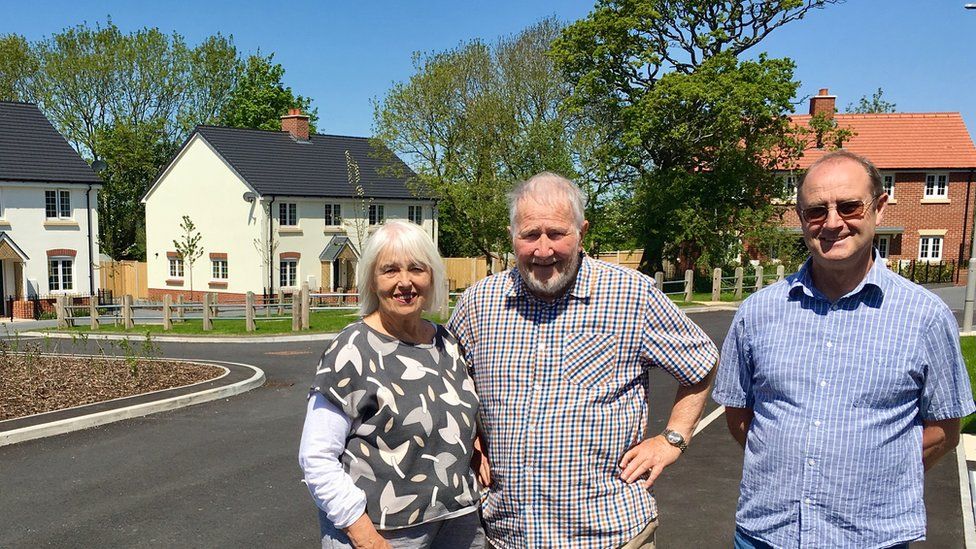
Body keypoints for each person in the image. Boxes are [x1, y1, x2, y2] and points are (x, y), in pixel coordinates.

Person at [713, 150, 976, 549]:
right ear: (801, 219)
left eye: (849, 206)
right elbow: (739, 415)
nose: (833, 222)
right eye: (817, 211)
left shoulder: (926, 317)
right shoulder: (757, 312)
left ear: (879, 208)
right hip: (766, 534)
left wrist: (876, 478)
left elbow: (945, 430)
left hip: (872, 538)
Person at [447, 172, 720, 548]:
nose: (543, 249)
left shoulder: (630, 295)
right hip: (508, 535)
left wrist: (673, 438)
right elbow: (448, 385)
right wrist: (472, 439)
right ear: (512, 235)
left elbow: (700, 362)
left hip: (610, 534)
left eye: (557, 233)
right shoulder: (479, 304)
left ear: (582, 231)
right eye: (530, 235)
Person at [299, 220, 487, 549]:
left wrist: (473, 443)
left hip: (458, 523)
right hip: (381, 533)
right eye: (390, 270)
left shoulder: (448, 343)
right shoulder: (351, 348)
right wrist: (364, 535)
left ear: (432, 277)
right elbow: (316, 457)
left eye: (417, 269)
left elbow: (453, 416)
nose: (405, 282)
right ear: (372, 280)